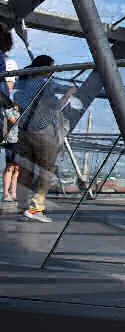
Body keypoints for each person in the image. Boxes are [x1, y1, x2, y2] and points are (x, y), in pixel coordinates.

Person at [14, 55, 76, 223]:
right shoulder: (45, 83)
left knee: (25, 169)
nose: (52, 71)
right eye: (51, 68)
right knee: (46, 170)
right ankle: (35, 208)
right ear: (45, 68)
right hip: (43, 132)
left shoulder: (22, 83)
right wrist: (70, 92)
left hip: (24, 131)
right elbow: (58, 104)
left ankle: (23, 207)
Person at [1, 23, 19, 202]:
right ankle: (9, 193)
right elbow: (7, 88)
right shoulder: (8, 62)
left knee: (13, 164)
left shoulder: (7, 62)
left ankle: (9, 193)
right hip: (5, 111)